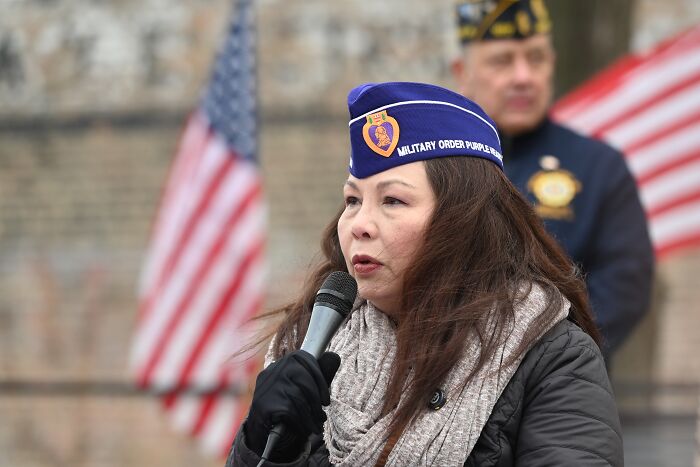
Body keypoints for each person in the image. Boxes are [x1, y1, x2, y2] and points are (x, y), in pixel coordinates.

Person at [226, 81, 623, 466]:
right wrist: (264, 448)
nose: (358, 224)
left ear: (463, 220)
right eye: (352, 200)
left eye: (393, 200)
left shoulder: (551, 357)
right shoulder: (307, 339)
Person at [451, 0, 654, 356]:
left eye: (536, 58)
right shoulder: (439, 166)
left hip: (560, 392)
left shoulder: (598, 167)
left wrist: (538, 359)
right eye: (502, 61)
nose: (523, 77)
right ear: (461, 73)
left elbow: (624, 289)